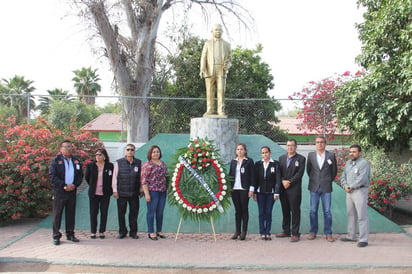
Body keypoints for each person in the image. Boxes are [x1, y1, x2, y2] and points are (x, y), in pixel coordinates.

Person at [49, 140, 83, 245]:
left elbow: (80, 175)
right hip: (60, 192)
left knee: (71, 214)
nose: (69, 148)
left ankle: (70, 234)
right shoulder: (56, 161)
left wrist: (74, 185)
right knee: (57, 214)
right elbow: (52, 176)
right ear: (61, 148)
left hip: (72, 191)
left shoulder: (76, 160)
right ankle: (56, 236)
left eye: (70, 146)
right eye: (66, 146)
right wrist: (64, 185)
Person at [306, 136, 337, 242]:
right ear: (315, 144)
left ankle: (328, 233)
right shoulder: (311, 155)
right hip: (314, 187)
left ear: (325, 144)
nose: (320, 144)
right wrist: (315, 180)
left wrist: (327, 180)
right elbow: (309, 170)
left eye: (322, 142)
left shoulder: (331, 155)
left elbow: (334, 171)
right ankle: (313, 232)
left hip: (326, 187)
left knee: (327, 211)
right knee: (313, 211)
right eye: (318, 142)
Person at [340, 144, 371, 248]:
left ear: (360, 153)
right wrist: (345, 185)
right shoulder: (348, 163)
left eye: (354, 152)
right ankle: (351, 236)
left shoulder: (364, 163)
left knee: (362, 216)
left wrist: (351, 186)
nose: (351, 154)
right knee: (351, 214)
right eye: (350, 152)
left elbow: (362, 178)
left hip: (359, 191)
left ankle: (363, 239)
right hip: (349, 192)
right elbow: (343, 176)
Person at [276, 139, 306, 242]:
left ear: (296, 147)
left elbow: (299, 174)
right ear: (286, 147)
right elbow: (279, 173)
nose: (290, 147)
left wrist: (289, 182)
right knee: (285, 210)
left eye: (292, 145)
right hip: (283, 189)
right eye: (288, 145)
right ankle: (286, 231)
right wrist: (283, 181)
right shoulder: (281, 158)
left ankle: (295, 233)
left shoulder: (301, 159)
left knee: (295, 211)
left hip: (294, 189)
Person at [199, 24, 231, 117]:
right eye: (216, 30)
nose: (218, 31)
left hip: (221, 70)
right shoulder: (207, 43)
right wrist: (202, 68)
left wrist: (227, 66)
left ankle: (221, 111)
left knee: (221, 91)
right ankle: (209, 110)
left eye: (220, 30)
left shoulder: (227, 45)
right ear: (212, 31)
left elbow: (230, 59)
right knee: (209, 91)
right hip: (210, 70)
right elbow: (203, 56)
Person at [112, 144, 142, 239]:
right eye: (128, 149)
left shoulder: (138, 163)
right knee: (121, 213)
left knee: (134, 214)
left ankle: (133, 232)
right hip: (122, 193)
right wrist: (115, 190)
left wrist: (141, 189)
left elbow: (141, 177)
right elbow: (114, 178)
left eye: (132, 150)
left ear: (134, 151)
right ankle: (122, 232)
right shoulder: (118, 163)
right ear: (125, 151)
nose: (130, 151)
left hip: (134, 193)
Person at [252, 146, 281, 240]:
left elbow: (278, 179)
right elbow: (255, 179)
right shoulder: (258, 164)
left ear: (270, 153)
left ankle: (267, 232)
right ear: (261, 154)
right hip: (260, 192)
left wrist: (277, 192)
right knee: (261, 212)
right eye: (263, 153)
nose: (265, 154)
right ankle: (262, 232)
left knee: (268, 212)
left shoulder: (275, 164)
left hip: (271, 192)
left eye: (266, 152)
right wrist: (255, 192)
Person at [85, 148, 113, 239]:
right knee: (93, 212)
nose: (97, 156)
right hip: (94, 193)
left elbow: (112, 178)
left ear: (104, 156)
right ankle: (93, 231)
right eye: (96, 155)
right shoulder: (90, 166)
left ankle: (101, 231)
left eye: (100, 155)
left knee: (104, 212)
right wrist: (93, 186)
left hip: (105, 193)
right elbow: (87, 178)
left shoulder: (110, 166)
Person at [141, 145, 168, 241]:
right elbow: (144, 180)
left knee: (160, 212)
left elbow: (166, 177)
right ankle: (151, 232)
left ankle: (159, 231)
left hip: (162, 191)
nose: (156, 153)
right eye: (154, 152)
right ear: (150, 154)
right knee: (151, 212)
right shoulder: (147, 165)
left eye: (157, 152)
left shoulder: (163, 164)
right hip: (152, 191)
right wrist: (147, 194)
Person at [229, 143, 254, 240]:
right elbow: (230, 174)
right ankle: (237, 231)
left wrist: (251, 189)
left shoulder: (249, 161)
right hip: (235, 189)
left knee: (244, 210)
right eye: (238, 149)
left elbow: (252, 175)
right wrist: (229, 188)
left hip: (245, 189)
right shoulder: (233, 162)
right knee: (237, 211)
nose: (239, 151)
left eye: (241, 149)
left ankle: (244, 231)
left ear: (245, 151)